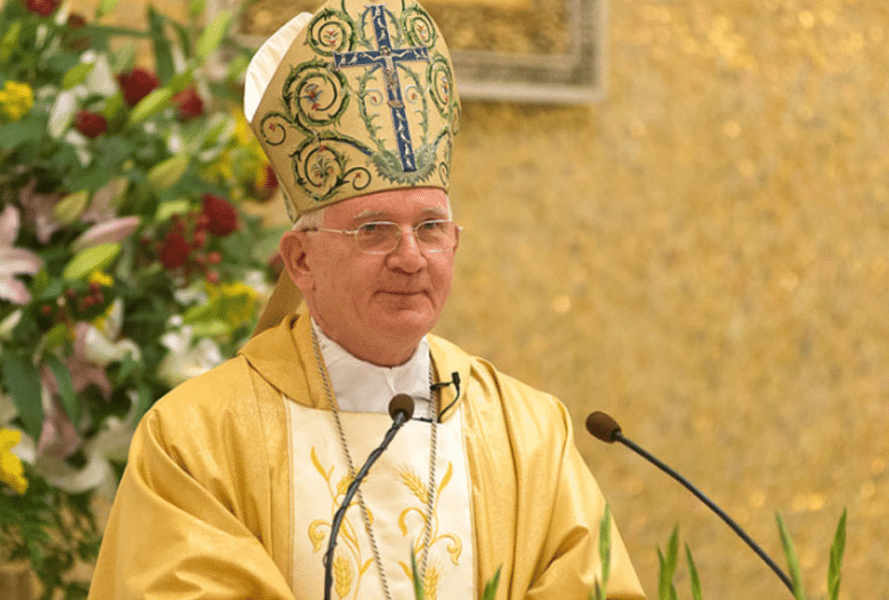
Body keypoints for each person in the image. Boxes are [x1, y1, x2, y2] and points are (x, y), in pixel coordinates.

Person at [88, 0, 646, 598]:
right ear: (301, 261)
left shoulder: (528, 435)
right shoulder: (197, 439)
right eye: (374, 230)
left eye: (430, 228)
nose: (410, 257)